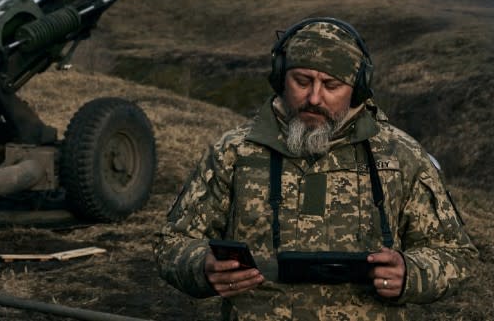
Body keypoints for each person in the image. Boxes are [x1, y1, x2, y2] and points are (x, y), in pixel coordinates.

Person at [154, 17, 477, 320]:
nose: (314, 97)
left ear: (357, 89)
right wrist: (202, 266)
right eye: (302, 81)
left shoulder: (402, 156)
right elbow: (173, 243)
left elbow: (457, 254)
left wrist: (410, 273)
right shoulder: (233, 152)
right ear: (281, 77)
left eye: (331, 85)